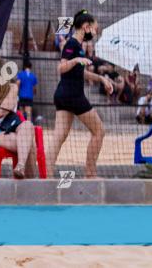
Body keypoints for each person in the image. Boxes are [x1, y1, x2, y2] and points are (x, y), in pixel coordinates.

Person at [46, 10, 114, 179]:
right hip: (72, 95)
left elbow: (79, 72)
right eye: (95, 28)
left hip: (64, 95)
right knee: (99, 131)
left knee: (59, 137)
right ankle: (90, 174)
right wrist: (76, 60)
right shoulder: (72, 44)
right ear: (86, 27)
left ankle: (45, 175)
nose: (96, 32)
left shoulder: (78, 46)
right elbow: (61, 68)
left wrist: (101, 78)